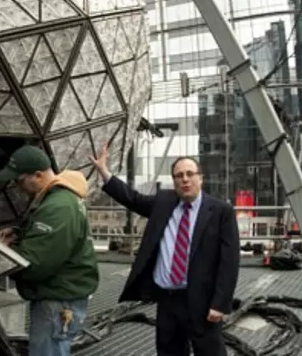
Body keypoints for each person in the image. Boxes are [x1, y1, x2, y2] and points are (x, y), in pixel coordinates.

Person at [94, 148, 239, 356]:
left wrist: (220, 303)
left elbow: (229, 261)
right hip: (167, 300)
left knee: (209, 351)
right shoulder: (164, 202)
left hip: (202, 300)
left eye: (190, 174)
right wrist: (105, 172)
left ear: (201, 178)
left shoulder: (220, 211)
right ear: (174, 181)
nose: (185, 180)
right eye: (179, 176)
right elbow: (133, 199)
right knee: (169, 351)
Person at [0, 145, 99, 356]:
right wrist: (20, 233)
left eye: (19, 180)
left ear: (38, 175)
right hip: (61, 296)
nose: (17, 186)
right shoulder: (59, 199)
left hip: (57, 299)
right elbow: (52, 241)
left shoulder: (58, 206)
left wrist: (5, 255)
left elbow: (36, 264)